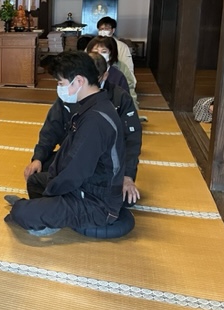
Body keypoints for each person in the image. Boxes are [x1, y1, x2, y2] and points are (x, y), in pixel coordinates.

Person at [7, 51, 125, 236]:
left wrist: (51, 192)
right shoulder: (92, 105)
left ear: (79, 81)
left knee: (21, 213)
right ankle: (43, 211)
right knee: (35, 181)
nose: (59, 88)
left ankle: (34, 211)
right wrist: (46, 169)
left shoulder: (95, 121)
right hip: (84, 186)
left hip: (95, 202)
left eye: (61, 83)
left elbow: (76, 172)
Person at [24, 53, 141, 207]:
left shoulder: (117, 100)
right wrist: (38, 157)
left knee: (123, 197)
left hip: (103, 164)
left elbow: (132, 140)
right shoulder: (71, 95)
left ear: (104, 76)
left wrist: (127, 176)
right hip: (76, 154)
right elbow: (51, 128)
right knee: (40, 174)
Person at [86, 36, 139, 109]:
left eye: (104, 52)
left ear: (111, 54)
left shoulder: (119, 74)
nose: (99, 55)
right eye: (95, 52)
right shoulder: (82, 70)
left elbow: (128, 98)